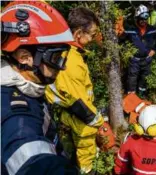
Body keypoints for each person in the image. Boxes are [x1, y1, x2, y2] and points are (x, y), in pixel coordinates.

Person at [1, 1, 78, 174]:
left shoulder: (25, 85)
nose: (62, 66)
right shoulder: (18, 116)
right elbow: (34, 163)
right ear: (24, 58)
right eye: (56, 57)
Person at [45, 7, 111, 174]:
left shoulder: (69, 53)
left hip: (69, 118)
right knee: (85, 166)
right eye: (92, 34)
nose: (94, 38)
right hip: (80, 123)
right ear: (78, 34)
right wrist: (100, 122)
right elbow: (79, 104)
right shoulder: (72, 62)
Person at [118, 4, 156, 98]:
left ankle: (142, 95)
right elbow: (120, 41)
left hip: (147, 59)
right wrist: (126, 52)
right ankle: (131, 97)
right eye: (141, 19)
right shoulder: (130, 30)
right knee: (132, 78)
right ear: (136, 18)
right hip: (134, 60)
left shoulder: (152, 30)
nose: (144, 21)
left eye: (145, 19)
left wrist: (154, 49)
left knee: (144, 78)